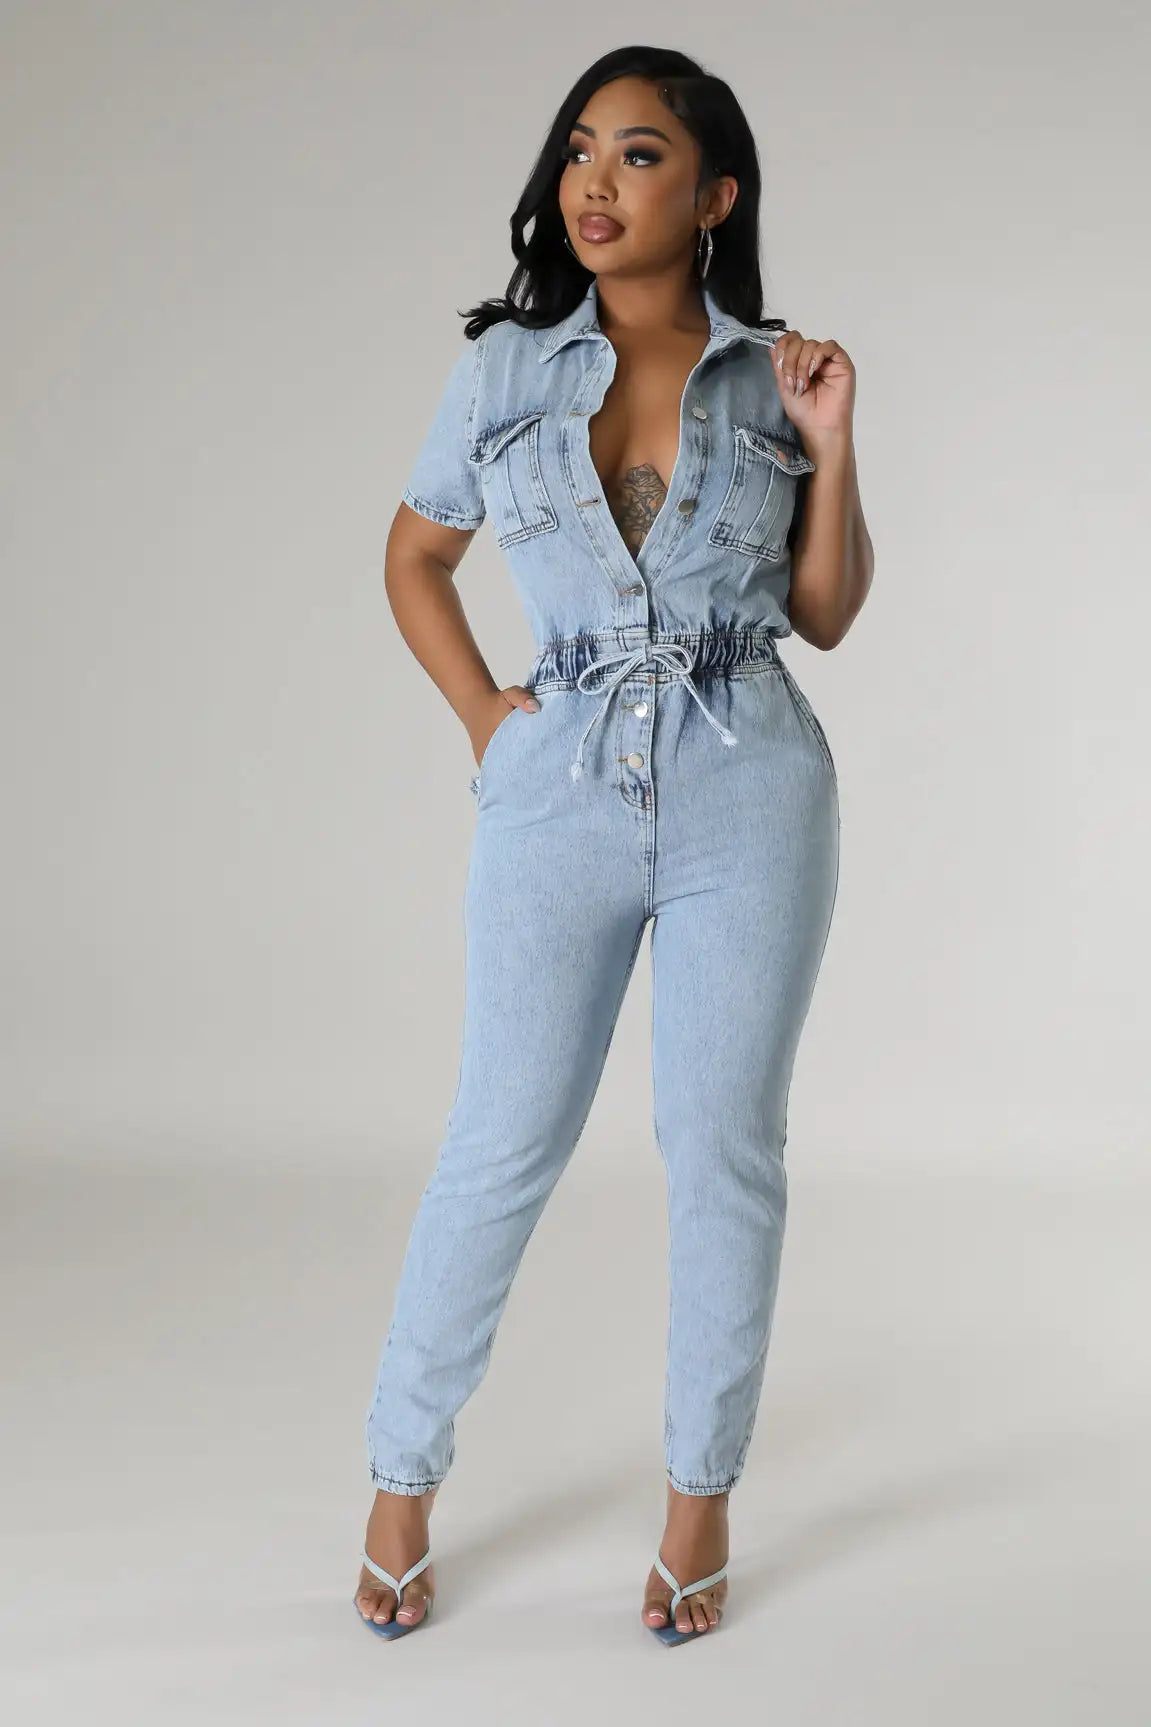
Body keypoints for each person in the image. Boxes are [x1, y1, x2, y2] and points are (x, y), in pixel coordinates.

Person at [354, 44, 873, 1645]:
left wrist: (835, 437)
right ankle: (398, 1482)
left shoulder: (779, 372)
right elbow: (415, 558)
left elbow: (825, 612)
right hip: (559, 788)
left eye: (639, 155)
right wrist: (486, 721)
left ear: (714, 196)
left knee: (722, 1147)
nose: (594, 182)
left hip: (748, 786)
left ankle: (700, 1496)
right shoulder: (506, 370)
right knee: (501, 1139)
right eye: (581, 149)